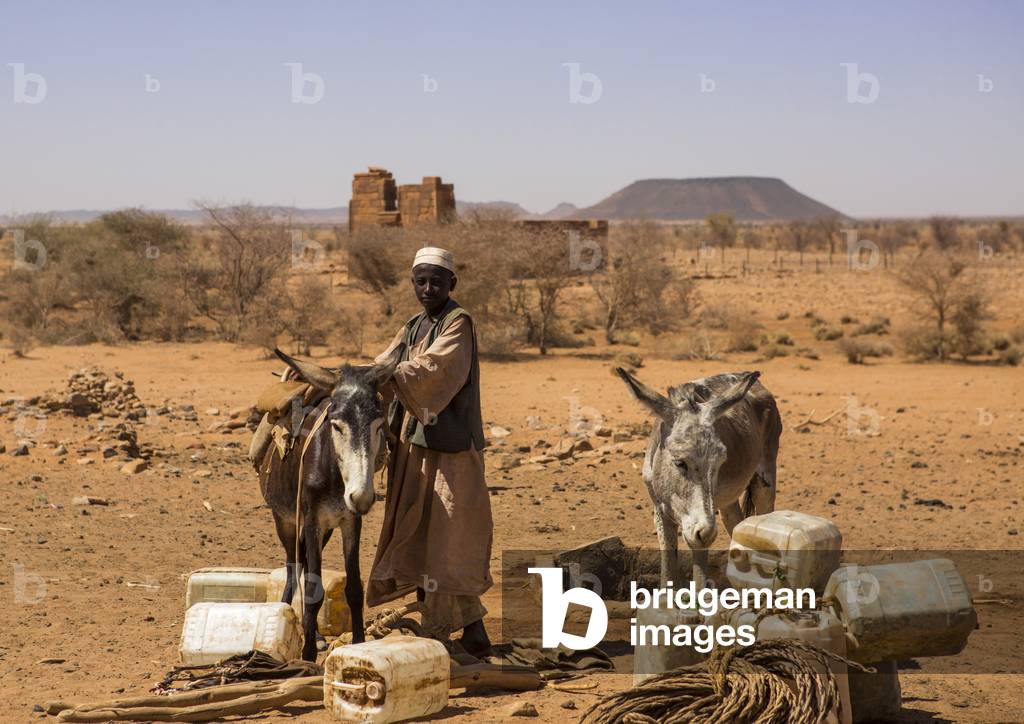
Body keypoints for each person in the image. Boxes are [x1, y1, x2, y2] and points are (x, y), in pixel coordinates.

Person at [367, 246, 494, 656]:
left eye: (436, 282)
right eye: (420, 281)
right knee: (428, 537)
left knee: (448, 537)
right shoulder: (413, 325)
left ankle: (438, 634)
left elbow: (433, 371)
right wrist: (353, 377)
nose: (427, 288)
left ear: (451, 284)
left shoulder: (459, 323)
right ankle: (474, 632)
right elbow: (383, 362)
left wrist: (385, 374)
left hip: (451, 452)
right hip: (414, 446)